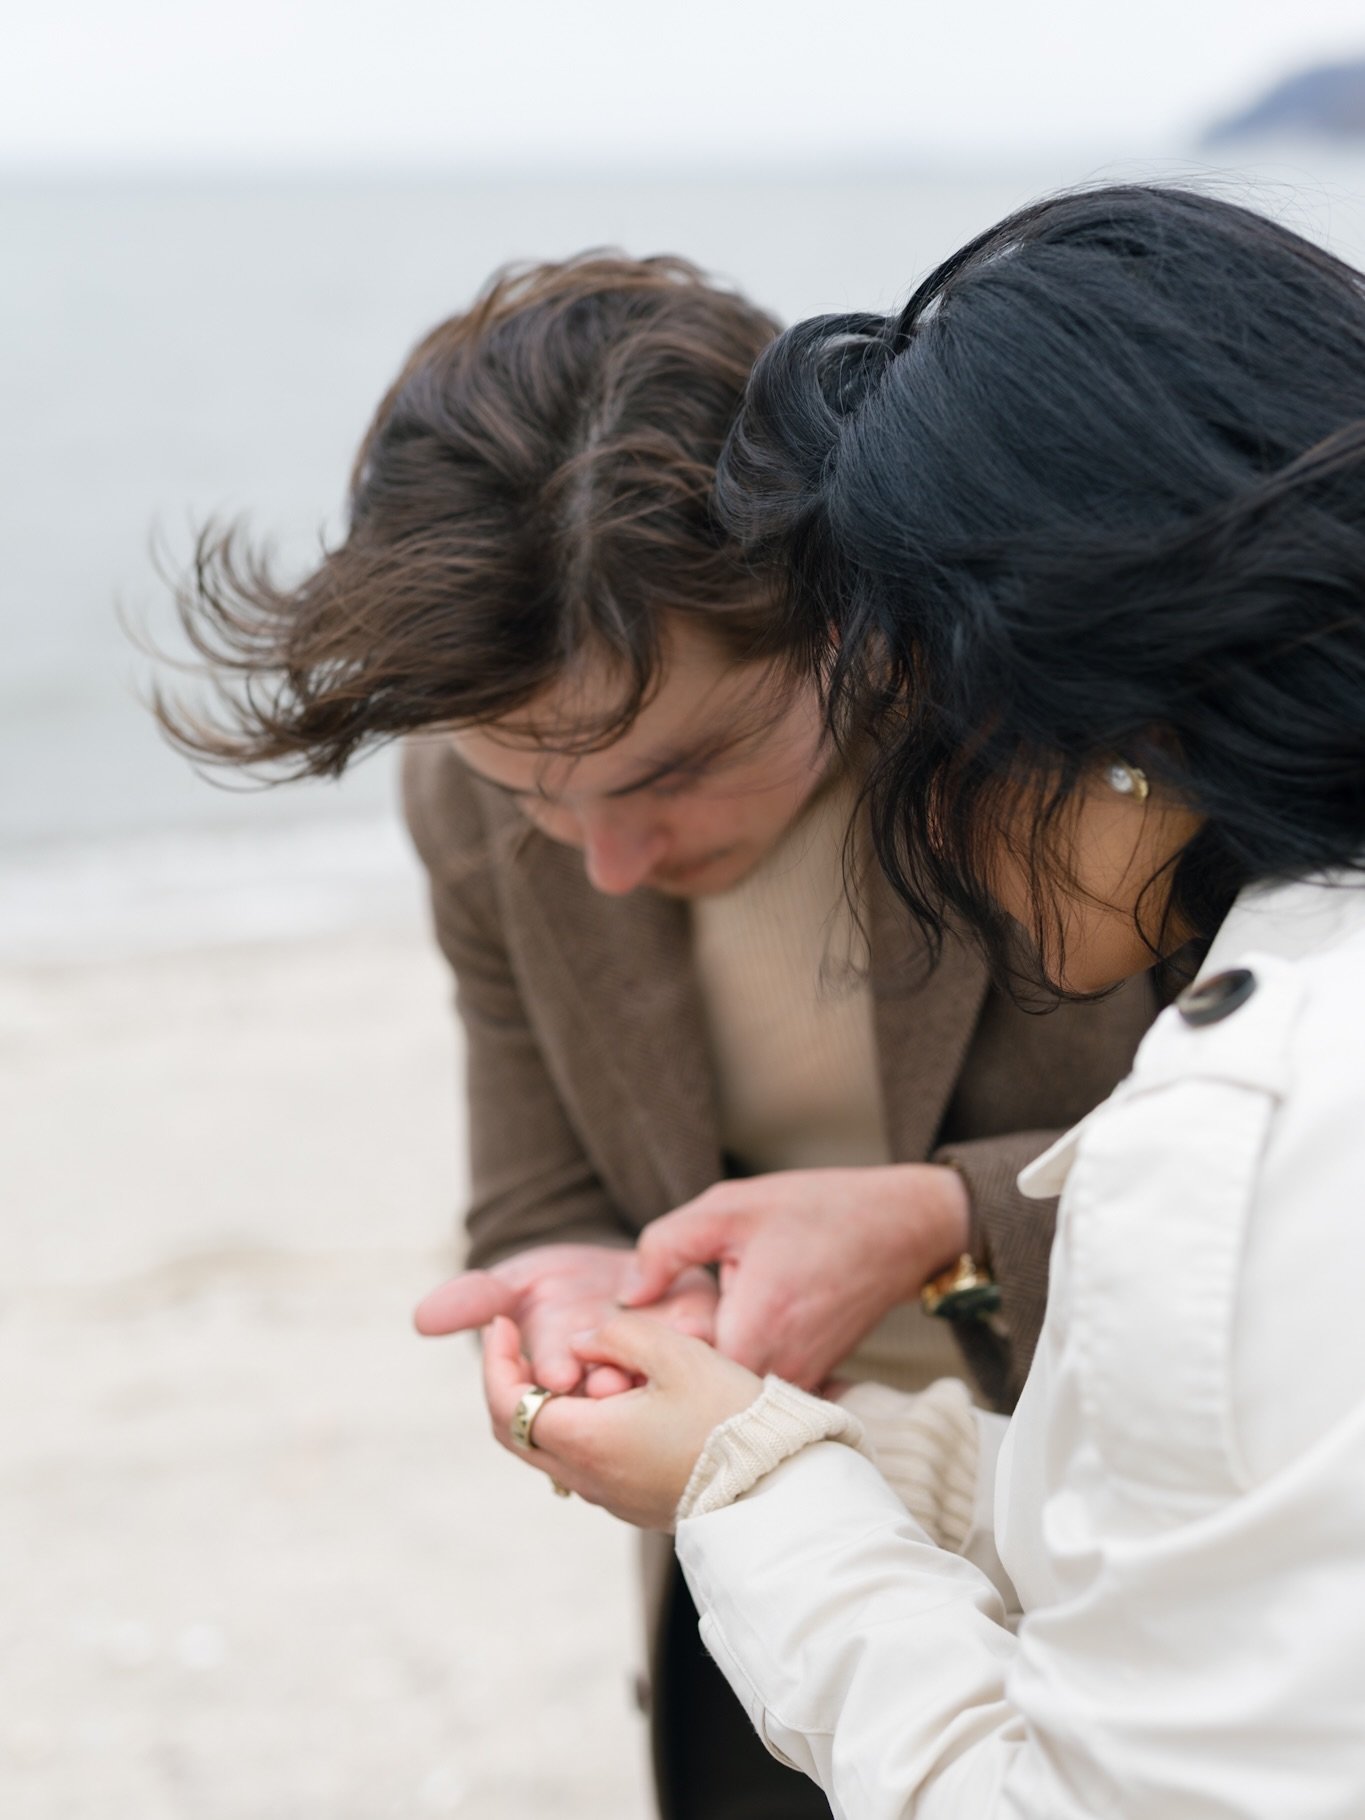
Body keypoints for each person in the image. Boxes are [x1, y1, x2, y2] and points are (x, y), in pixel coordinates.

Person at [156, 251, 1153, 1818]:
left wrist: (934, 1228)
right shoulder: (463, 796)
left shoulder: (1064, 747)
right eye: (533, 792)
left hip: (1141, 1523)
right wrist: (566, 1297)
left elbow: (1301, 1144)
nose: (605, 857)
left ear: (847, 615)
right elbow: (540, 1198)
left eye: (672, 770)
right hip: (742, 1553)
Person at [479, 186, 1365, 1818]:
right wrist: (782, 1452)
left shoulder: (1238, 1122)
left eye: (920, 717)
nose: (926, 822)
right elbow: (1252, 1509)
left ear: (1101, 702)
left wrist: (752, 1492)